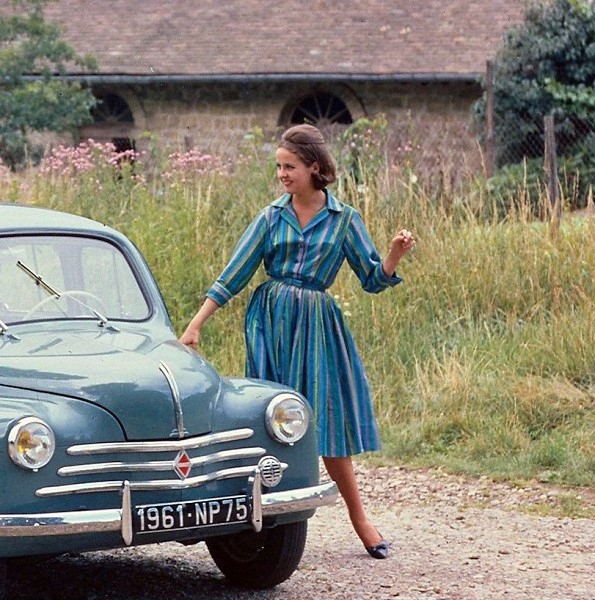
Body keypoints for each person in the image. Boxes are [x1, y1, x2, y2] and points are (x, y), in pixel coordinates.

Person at [177, 124, 417, 559]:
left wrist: (394, 256)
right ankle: (264, 526)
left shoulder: (345, 219)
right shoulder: (270, 216)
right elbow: (235, 274)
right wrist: (195, 326)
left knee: (325, 417)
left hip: (318, 325)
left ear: (314, 167)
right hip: (271, 323)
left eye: (289, 166)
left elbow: (370, 278)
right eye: (278, 167)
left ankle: (360, 518)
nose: (282, 174)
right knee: (270, 421)